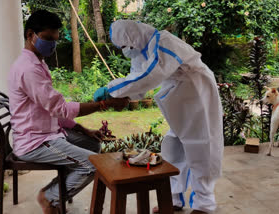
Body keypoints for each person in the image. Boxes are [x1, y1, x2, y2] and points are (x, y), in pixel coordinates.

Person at [94, 20, 224, 214]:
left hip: (197, 92)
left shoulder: (163, 42)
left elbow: (150, 75)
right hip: (180, 96)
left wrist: (111, 89)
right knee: (173, 146)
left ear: (131, 36)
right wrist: (124, 95)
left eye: (123, 45)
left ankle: (204, 205)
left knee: (202, 146)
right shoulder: (140, 49)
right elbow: (139, 78)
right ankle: (173, 198)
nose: (124, 50)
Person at [8, 10, 129, 214]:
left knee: (93, 144)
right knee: (92, 165)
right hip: (35, 142)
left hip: (47, 132)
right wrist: (104, 104)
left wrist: (82, 129)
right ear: (30, 35)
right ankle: (50, 198)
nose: (52, 45)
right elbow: (61, 108)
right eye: (48, 39)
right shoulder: (28, 69)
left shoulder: (38, 64)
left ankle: (57, 189)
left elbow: (52, 110)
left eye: (55, 39)